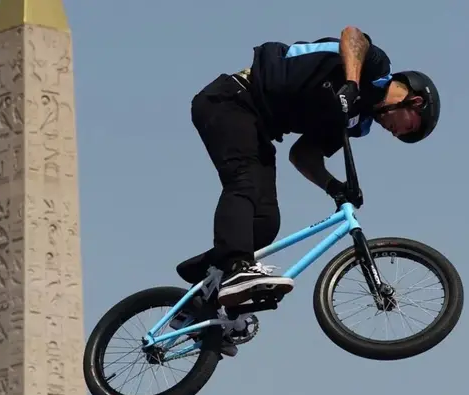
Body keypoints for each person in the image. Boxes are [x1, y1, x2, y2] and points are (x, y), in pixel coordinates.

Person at [175, 26, 441, 308]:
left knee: (265, 223)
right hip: (233, 99)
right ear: (415, 101)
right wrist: (351, 85)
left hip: (258, 128)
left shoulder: (357, 122)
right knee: (245, 182)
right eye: (406, 127)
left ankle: (199, 293)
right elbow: (352, 35)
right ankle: (236, 267)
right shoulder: (376, 70)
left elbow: (303, 154)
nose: (395, 133)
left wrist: (333, 186)